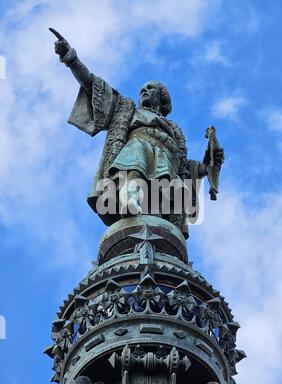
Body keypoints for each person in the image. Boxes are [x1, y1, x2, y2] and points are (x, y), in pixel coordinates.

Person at [50, 28, 224, 237]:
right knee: (136, 158)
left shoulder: (174, 130)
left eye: (149, 88)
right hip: (138, 146)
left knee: (175, 186)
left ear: (162, 97)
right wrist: (71, 59)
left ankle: (159, 220)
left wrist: (208, 164)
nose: (143, 92)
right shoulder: (127, 110)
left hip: (167, 160)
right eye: (141, 90)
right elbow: (94, 86)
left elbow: (187, 169)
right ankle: (130, 199)